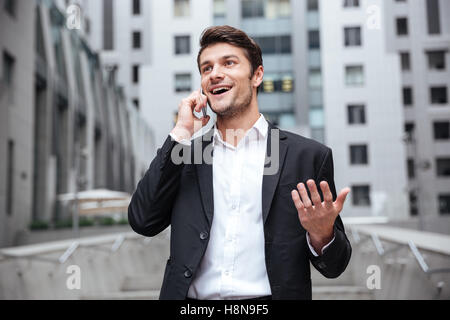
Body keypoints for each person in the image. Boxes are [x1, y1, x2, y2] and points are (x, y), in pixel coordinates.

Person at [128, 25, 352, 300]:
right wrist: (181, 133)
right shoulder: (185, 154)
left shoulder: (306, 157)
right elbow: (142, 221)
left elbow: (335, 266)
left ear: (257, 75)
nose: (215, 74)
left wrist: (322, 235)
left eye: (229, 63)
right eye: (206, 68)